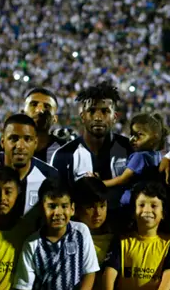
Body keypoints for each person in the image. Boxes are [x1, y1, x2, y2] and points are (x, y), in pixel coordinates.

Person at [0, 114, 58, 227]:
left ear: (35, 143)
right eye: (14, 139)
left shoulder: (50, 176)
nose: (20, 146)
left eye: (27, 139)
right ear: (2, 142)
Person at [51, 82, 133, 212]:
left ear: (115, 117)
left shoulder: (130, 149)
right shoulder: (64, 155)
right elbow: (58, 201)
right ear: (82, 116)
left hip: (124, 230)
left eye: (105, 111)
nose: (98, 117)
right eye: (92, 111)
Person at [99, 182, 170, 290]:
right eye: (141, 205)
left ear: (163, 213)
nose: (147, 210)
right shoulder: (122, 240)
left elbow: (169, 272)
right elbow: (111, 269)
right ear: (133, 211)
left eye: (154, 206)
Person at [101, 112, 166, 207]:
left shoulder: (140, 156)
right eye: (132, 134)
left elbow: (122, 179)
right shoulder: (157, 155)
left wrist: (101, 183)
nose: (132, 139)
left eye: (139, 135)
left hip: (130, 202)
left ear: (154, 137)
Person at [21, 87, 74, 164]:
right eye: (34, 104)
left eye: (47, 106)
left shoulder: (66, 151)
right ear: (22, 113)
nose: (39, 110)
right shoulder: (6, 147)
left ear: (55, 119)